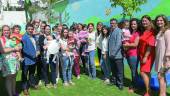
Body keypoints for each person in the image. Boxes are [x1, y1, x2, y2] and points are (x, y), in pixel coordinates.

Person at [0, 25, 21, 96]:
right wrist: (14, 49)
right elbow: (3, 51)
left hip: (14, 61)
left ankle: (14, 92)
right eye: (5, 30)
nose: (6, 31)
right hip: (7, 62)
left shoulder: (12, 38)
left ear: (10, 31)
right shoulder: (1, 39)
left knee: (14, 77)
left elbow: (17, 47)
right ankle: (10, 94)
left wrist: (18, 53)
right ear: (2, 31)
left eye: (8, 30)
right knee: (9, 78)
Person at [138, 15, 155, 96]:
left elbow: (150, 45)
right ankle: (148, 90)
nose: (144, 22)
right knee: (147, 72)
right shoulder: (144, 31)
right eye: (143, 21)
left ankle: (148, 92)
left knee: (142, 72)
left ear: (149, 21)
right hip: (142, 54)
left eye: (145, 21)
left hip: (148, 55)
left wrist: (145, 57)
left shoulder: (152, 31)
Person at [123, 18, 140, 92]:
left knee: (134, 71)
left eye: (134, 24)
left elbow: (136, 44)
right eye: (132, 24)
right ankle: (135, 84)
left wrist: (127, 44)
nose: (133, 25)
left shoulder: (138, 33)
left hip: (134, 54)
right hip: (129, 54)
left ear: (137, 25)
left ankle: (134, 87)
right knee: (133, 71)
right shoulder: (131, 32)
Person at [155, 14, 170, 96]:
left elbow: (169, 46)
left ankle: (162, 94)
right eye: (157, 20)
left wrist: (167, 61)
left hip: (165, 59)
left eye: (161, 20)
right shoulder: (160, 31)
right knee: (161, 76)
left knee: (160, 76)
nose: (159, 22)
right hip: (159, 58)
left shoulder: (167, 32)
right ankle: (163, 93)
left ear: (165, 22)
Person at [21, 23, 38, 96]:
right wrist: (33, 55)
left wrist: (38, 50)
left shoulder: (34, 37)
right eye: (29, 29)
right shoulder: (24, 37)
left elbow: (37, 45)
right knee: (24, 75)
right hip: (27, 59)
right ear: (26, 29)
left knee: (32, 73)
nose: (30, 30)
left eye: (31, 29)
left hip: (33, 60)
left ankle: (32, 84)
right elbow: (24, 50)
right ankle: (25, 89)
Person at [108, 18, 124, 90]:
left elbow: (119, 43)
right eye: (111, 23)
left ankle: (120, 84)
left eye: (114, 23)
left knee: (119, 71)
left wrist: (113, 53)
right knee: (113, 70)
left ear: (117, 24)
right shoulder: (111, 31)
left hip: (117, 55)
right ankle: (114, 81)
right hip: (111, 55)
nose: (112, 24)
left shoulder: (119, 31)